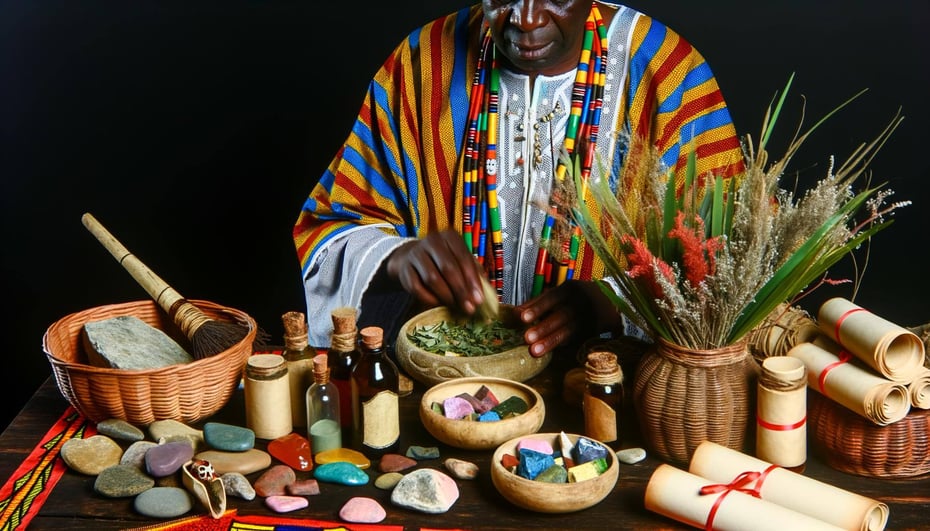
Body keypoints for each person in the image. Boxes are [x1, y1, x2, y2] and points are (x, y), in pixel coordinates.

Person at [294, 1, 744, 353]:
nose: (525, 19)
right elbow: (327, 229)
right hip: (445, 386)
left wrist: (610, 303)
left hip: (612, 396)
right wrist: (394, 258)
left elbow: (736, 261)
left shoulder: (668, 73)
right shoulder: (418, 66)